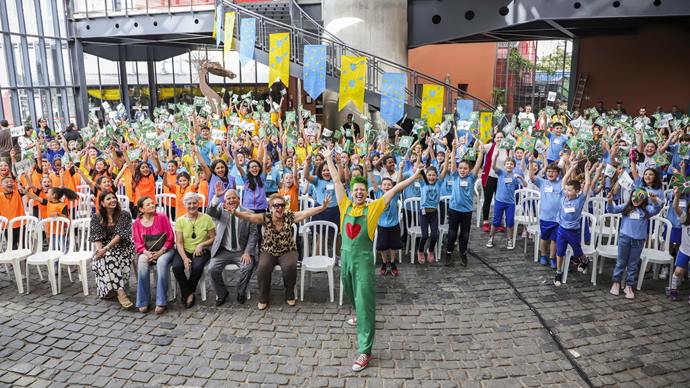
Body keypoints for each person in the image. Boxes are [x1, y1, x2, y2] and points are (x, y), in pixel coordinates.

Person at [322, 146, 421, 372]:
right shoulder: (345, 205)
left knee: (365, 303)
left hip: (364, 263)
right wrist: (329, 159)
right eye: (355, 190)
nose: (358, 193)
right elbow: (338, 183)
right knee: (350, 293)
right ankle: (358, 314)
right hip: (345, 261)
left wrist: (414, 176)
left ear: (366, 193)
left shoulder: (374, 207)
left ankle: (364, 351)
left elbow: (394, 189)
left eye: (362, 191)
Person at [231, 192, 332, 310]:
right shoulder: (265, 217)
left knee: (290, 266)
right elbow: (249, 216)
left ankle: (290, 294)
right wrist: (235, 213)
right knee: (263, 267)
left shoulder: (290, 217)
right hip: (268, 251)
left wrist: (323, 207)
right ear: (270, 208)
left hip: (287, 250)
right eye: (276, 206)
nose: (279, 208)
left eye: (282, 205)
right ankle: (263, 297)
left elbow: (306, 213)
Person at [207, 185, 259, 306]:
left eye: (233, 198)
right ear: (225, 201)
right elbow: (210, 212)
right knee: (212, 269)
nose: (231, 200)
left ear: (239, 199)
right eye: (228, 198)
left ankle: (241, 292)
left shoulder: (248, 213)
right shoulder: (221, 211)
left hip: (241, 250)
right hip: (223, 250)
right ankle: (222, 294)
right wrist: (216, 197)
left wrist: (247, 252)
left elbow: (253, 235)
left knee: (247, 267)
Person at [553, 158, 601, 286]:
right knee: (560, 252)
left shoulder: (580, 200)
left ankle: (585, 261)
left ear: (577, 191)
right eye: (566, 190)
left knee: (578, 253)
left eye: (570, 190)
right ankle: (558, 272)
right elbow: (564, 180)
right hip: (561, 229)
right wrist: (572, 168)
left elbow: (587, 184)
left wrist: (586, 170)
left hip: (573, 231)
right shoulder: (564, 196)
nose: (567, 192)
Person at [606, 188, 661, 299]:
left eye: (639, 198)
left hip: (638, 241)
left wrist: (654, 200)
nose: (635, 199)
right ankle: (616, 282)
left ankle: (629, 285)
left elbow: (656, 209)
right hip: (624, 239)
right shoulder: (626, 207)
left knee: (633, 264)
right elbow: (611, 210)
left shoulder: (646, 209)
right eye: (633, 197)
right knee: (621, 262)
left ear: (644, 200)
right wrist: (610, 201)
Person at [90, 191, 135, 308]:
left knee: (109, 256)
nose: (112, 200)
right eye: (108, 199)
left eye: (114, 198)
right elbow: (96, 236)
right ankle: (117, 289)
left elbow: (120, 235)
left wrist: (105, 249)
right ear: (102, 203)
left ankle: (119, 292)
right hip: (104, 247)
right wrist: (100, 251)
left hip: (123, 246)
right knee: (101, 258)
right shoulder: (96, 217)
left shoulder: (124, 214)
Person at [171, 192, 216, 308]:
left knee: (197, 267)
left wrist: (202, 244)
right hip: (184, 250)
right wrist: (185, 258)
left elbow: (213, 238)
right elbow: (179, 243)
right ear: (185, 205)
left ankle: (187, 293)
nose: (192, 206)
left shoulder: (207, 218)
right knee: (176, 267)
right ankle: (189, 293)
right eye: (189, 203)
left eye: (194, 203)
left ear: (198, 203)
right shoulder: (180, 220)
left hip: (202, 250)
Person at [133, 196, 176, 314]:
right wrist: (147, 253)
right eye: (148, 204)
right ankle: (143, 301)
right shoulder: (137, 223)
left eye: (153, 203)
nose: (152, 205)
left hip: (165, 250)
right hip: (147, 251)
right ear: (141, 209)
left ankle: (161, 301)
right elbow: (138, 243)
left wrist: (161, 252)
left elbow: (170, 238)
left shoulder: (162, 217)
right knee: (142, 262)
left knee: (161, 263)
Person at [445, 138, 483, 267]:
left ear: (469, 170)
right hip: (454, 209)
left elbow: (477, 165)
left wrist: (481, 153)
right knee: (452, 233)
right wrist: (454, 148)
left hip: (466, 211)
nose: (462, 170)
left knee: (465, 235)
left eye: (465, 168)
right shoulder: (455, 175)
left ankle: (463, 252)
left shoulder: (472, 177)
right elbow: (453, 164)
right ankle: (449, 252)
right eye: (460, 168)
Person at [486, 150, 526, 250]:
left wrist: (520, 177)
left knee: (510, 222)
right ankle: (491, 238)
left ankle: (509, 239)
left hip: (510, 203)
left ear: (514, 166)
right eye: (507, 164)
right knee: (496, 221)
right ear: (504, 165)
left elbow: (525, 185)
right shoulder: (501, 173)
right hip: (499, 201)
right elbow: (493, 167)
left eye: (511, 164)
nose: (509, 165)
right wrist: (495, 157)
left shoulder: (515, 176)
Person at [669, 187, 690, 302]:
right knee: (678, 272)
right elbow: (675, 207)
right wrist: (677, 195)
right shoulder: (685, 218)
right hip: (684, 251)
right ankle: (673, 288)